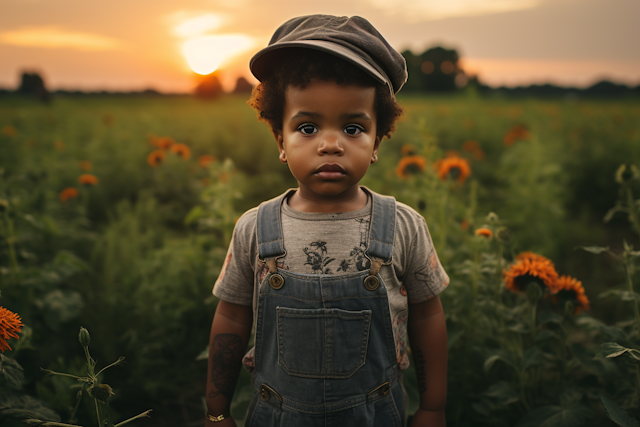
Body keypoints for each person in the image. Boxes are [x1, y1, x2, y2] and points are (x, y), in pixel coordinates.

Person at [205, 14, 449, 427]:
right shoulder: (254, 228)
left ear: (377, 140)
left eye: (354, 127)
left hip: (376, 415)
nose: (331, 143)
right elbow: (231, 318)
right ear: (281, 139)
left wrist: (433, 407)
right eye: (308, 126)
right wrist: (216, 411)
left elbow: (428, 316)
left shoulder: (404, 226)